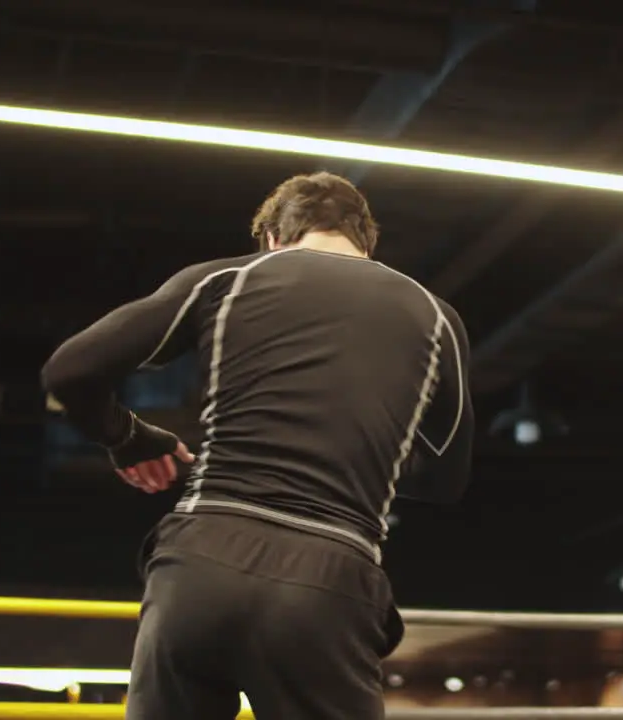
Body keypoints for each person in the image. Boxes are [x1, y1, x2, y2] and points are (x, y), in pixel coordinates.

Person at [41, 171, 474, 720]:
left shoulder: (227, 278)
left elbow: (69, 371)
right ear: (368, 242)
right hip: (328, 576)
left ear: (272, 237)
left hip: (199, 563)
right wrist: (365, 454)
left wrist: (129, 438)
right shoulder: (436, 318)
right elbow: (446, 479)